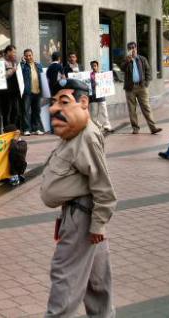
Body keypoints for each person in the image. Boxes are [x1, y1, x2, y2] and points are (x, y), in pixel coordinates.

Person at [41, 78, 117, 318]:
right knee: (97, 284)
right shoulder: (73, 132)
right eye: (54, 102)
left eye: (64, 102)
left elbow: (103, 186)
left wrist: (98, 223)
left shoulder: (87, 136)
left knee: (65, 277)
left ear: (84, 102)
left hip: (82, 218)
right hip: (80, 214)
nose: (54, 109)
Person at [120, 42, 162, 135]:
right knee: (132, 109)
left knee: (146, 107)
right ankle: (135, 128)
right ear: (128, 50)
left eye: (133, 47)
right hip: (130, 88)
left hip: (142, 87)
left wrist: (146, 83)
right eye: (130, 48)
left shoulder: (142, 59)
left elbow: (148, 71)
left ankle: (153, 128)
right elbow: (122, 68)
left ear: (136, 48)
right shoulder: (126, 60)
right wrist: (128, 61)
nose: (132, 49)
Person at [20, 49, 44, 135]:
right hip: (27, 92)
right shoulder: (23, 66)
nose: (28, 57)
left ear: (32, 55)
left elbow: (42, 77)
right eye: (26, 56)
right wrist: (22, 63)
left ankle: (36, 128)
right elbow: (20, 75)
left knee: (36, 111)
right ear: (24, 57)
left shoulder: (38, 65)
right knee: (26, 111)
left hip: (38, 91)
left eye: (30, 55)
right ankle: (26, 129)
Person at [0, 45, 22, 127]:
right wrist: (12, 70)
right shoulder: (1, 61)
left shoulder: (14, 61)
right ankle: (6, 128)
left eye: (15, 52)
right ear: (8, 52)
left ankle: (14, 127)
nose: (15, 54)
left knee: (15, 110)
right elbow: (1, 76)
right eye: (13, 52)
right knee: (6, 111)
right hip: (5, 91)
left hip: (14, 91)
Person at [89, 61, 113, 134]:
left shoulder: (102, 75)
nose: (94, 67)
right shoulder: (89, 76)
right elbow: (87, 85)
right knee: (93, 115)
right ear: (91, 67)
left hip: (101, 96)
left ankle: (107, 126)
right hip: (93, 97)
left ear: (97, 66)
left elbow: (107, 83)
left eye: (95, 66)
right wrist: (93, 84)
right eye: (92, 66)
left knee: (104, 112)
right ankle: (98, 126)